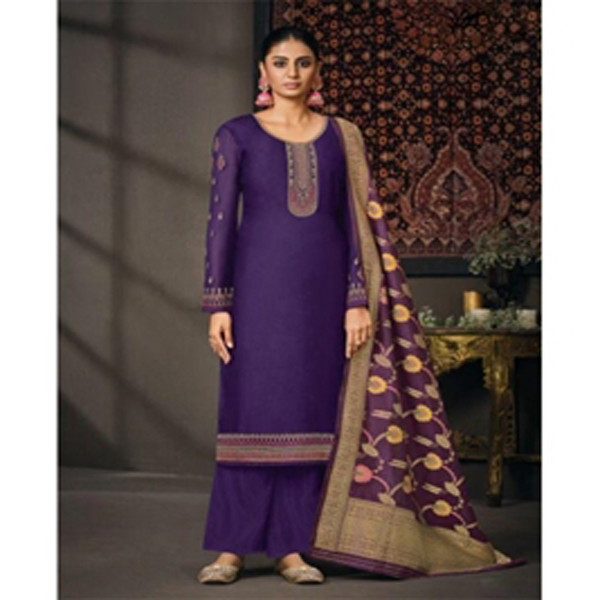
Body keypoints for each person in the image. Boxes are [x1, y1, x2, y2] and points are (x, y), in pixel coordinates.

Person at [197, 26, 526, 585]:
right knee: (251, 415)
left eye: (304, 63)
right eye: (281, 62)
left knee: (310, 420)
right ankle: (231, 549)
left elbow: (357, 227)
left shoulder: (340, 137)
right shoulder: (236, 135)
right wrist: (218, 303)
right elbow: (221, 224)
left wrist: (357, 300)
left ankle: (292, 549)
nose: (293, 73)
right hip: (256, 294)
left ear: (318, 72)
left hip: (325, 297)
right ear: (263, 72)